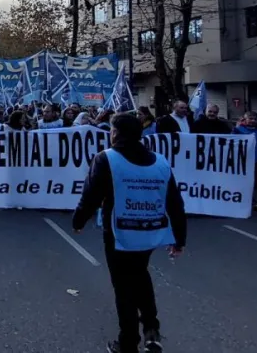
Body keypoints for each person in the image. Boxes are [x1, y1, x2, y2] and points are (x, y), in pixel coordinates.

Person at [72, 113, 186, 353]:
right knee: (141, 276)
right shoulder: (160, 162)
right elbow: (175, 202)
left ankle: (128, 342)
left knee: (123, 287)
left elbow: (91, 194)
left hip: (119, 233)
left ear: (115, 133)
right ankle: (152, 331)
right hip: (150, 232)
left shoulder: (107, 159)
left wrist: (79, 220)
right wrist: (179, 238)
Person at [233, 111, 257, 215]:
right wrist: (236, 129)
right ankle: (243, 202)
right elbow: (232, 142)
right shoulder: (239, 130)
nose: (253, 121)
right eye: (250, 118)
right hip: (246, 162)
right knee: (246, 183)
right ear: (244, 119)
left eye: (255, 119)